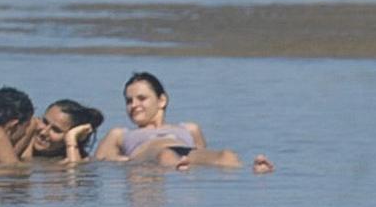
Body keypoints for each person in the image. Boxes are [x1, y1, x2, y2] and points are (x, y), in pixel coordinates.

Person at [91, 71, 271, 172]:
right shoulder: (120, 134)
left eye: (141, 98)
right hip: (152, 155)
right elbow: (95, 165)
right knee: (166, 155)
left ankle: (255, 169)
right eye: (129, 101)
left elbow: (201, 155)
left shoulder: (189, 128)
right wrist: (123, 160)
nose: (134, 105)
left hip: (183, 152)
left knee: (226, 155)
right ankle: (178, 167)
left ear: (162, 100)